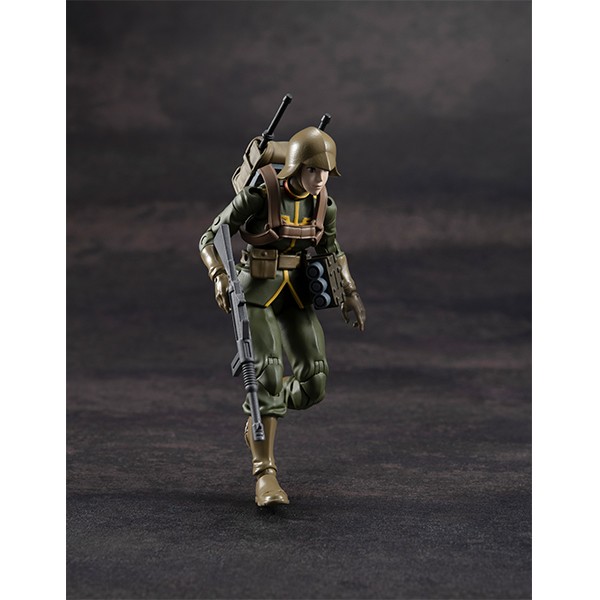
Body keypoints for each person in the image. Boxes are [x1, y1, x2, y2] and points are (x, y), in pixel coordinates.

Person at [199, 126, 366, 506]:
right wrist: (219, 276)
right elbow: (210, 237)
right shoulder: (260, 196)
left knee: (314, 382)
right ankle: (265, 473)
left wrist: (350, 293)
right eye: (312, 170)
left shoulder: (324, 205)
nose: (319, 179)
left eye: (326, 172)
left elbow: (333, 250)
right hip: (256, 290)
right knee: (268, 373)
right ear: (295, 166)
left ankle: (265, 404)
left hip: (297, 292)